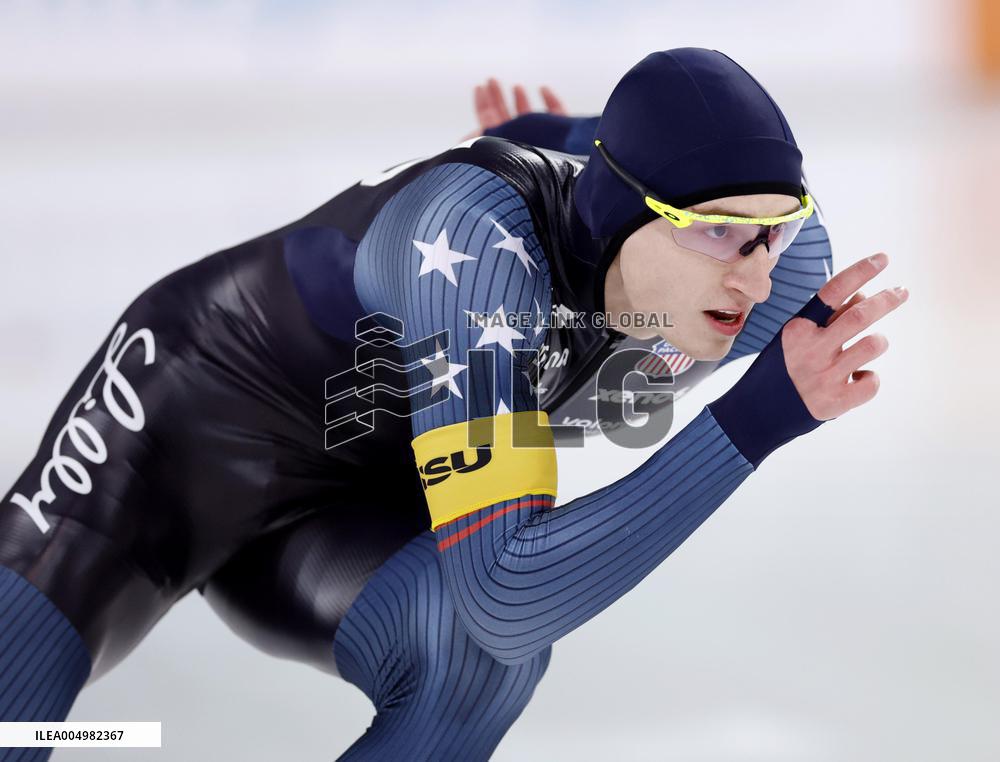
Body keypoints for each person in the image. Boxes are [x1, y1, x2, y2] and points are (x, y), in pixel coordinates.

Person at [0, 48, 906, 761]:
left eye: (772, 231)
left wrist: (534, 125)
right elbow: (510, 587)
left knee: (471, 660)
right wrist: (755, 422)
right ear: (625, 207)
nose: (753, 271)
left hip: (349, 499)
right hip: (181, 426)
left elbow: (647, 141)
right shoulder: (470, 251)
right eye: (716, 232)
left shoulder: (780, 279)